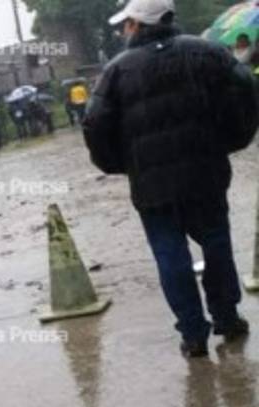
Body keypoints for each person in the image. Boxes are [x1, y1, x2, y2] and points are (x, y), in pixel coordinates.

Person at [83, 0, 259, 357]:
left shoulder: (116, 71)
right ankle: (227, 318)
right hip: (206, 175)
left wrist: (120, 164)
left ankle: (193, 335)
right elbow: (246, 87)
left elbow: (95, 123)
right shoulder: (207, 52)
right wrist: (233, 138)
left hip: (152, 188)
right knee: (217, 245)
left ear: (137, 25)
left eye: (127, 23)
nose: (124, 30)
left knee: (169, 254)